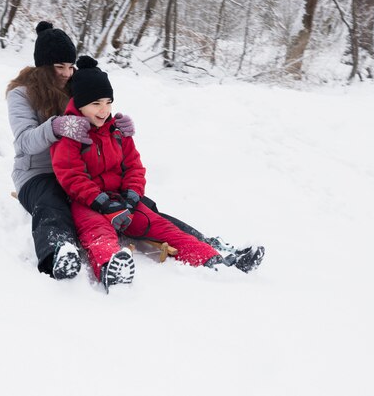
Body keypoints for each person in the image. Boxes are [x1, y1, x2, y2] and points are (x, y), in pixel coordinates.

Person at [50, 56, 264, 292]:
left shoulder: (118, 132)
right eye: (96, 104)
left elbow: (134, 166)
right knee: (97, 232)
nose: (104, 110)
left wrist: (132, 195)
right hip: (87, 203)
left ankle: (214, 261)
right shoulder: (71, 134)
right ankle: (110, 266)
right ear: (79, 104)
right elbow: (70, 176)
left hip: (120, 200)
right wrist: (101, 203)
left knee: (162, 226)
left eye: (108, 102)